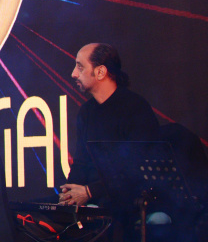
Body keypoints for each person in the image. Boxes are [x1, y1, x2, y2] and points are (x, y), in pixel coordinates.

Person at [60, 43, 159, 208]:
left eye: (80, 67)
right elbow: (80, 164)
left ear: (100, 72)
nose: (74, 74)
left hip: (128, 203)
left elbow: (137, 170)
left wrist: (89, 192)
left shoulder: (135, 107)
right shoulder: (86, 112)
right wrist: (68, 195)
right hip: (94, 200)